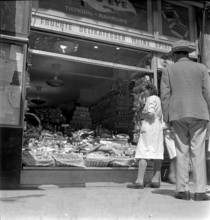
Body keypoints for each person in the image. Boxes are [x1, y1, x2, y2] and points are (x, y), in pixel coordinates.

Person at [161, 40, 210, 201]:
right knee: (198, 153)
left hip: (178, 114)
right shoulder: (201, 68)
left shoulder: (169, 69)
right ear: (187, 54)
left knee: (182, 152)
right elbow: (208, 93)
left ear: (175, 54)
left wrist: (167, 117)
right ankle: (200, 191)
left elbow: (165, 96)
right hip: (199, 113)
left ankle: (182, 190)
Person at [127, 81, 164, 189]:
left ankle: (139, 180)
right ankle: (156, 180)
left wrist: (141, 114)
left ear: (149, 89)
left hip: (149, 128)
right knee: (157, 153)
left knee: (143, 152)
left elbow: (150, 113)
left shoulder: (151, 99)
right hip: (157, 128)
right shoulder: (157, 99)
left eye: (144, 90)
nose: (143, 93)